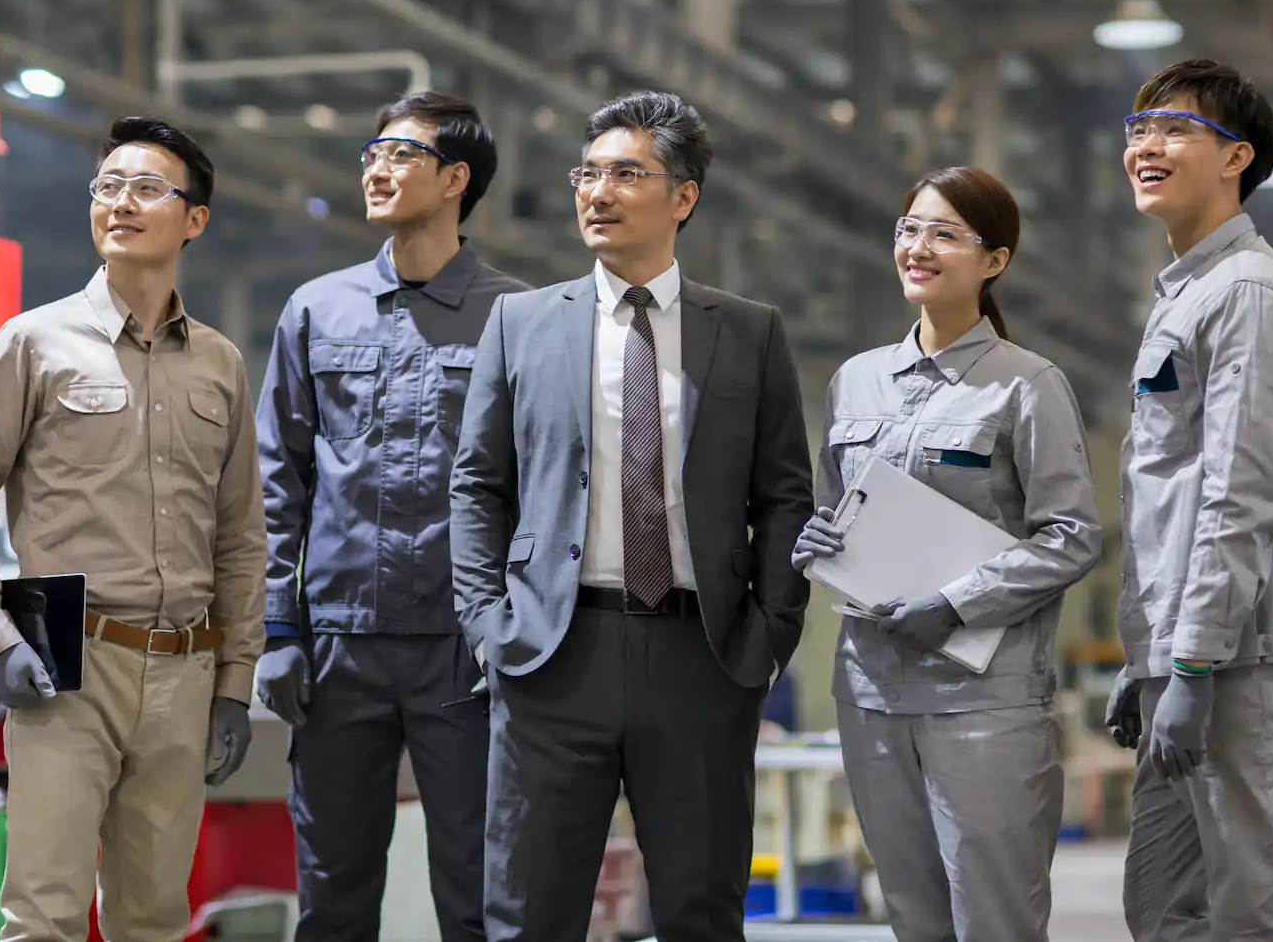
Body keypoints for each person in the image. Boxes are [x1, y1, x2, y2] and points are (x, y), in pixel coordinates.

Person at [449, 90, 813, 942]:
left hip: (700, 656)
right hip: (551, 654)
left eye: (625, 174)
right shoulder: (523, 323)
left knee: (700, 908)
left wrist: (767, 637)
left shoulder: (750, 333)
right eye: (588, 173)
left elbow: (787, 497)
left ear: (682, 197)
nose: (597, 192)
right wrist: (487, 621)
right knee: (528, 912)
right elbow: (476, 486)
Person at [0, 116, 266, 942]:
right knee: (43, 914)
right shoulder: (34, 342)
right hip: (66, 668)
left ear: (194, 219)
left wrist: (233, 684)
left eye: (146, 187)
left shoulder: (219, 363)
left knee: (152, 918)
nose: (120, 201)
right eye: (107, 186)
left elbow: (240, 536)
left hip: (183, 675)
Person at [795, 166, 1103, 942]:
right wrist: (814, 536)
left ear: (993, 260)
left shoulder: (1027, 385)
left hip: (983, 703)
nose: (917, 247)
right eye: (907, 229)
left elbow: (1072, 533)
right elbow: (838, 507)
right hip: (869, 691)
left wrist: (957, 601)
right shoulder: (855, 381)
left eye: (942, 233)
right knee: (912, 915)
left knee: (992, 918)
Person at [255, 92, 527, 942]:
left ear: (455, 178)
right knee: (332, 897)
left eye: (399, 154)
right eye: (371, 150)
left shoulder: (518, 318)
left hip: (465, 649)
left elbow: (546, 486)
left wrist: (518, 629)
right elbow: (276, 482)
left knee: (481, 894)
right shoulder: (315, 309)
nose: (375, 166)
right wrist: (277, 628)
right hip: (339, 648)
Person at [1102, 59, 1273, 942]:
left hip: (1243, 657)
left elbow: (1242, 491)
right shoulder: (1188, 295)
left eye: (1172, 130)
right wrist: (1147, 657)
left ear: (1238, 157)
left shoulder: (1249, 295)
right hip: (1188, 656)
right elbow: (1168, 498)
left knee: (1257, 912)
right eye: (1136, 131)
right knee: (1163, 908)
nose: (1145, 147)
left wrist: (1193, 663)